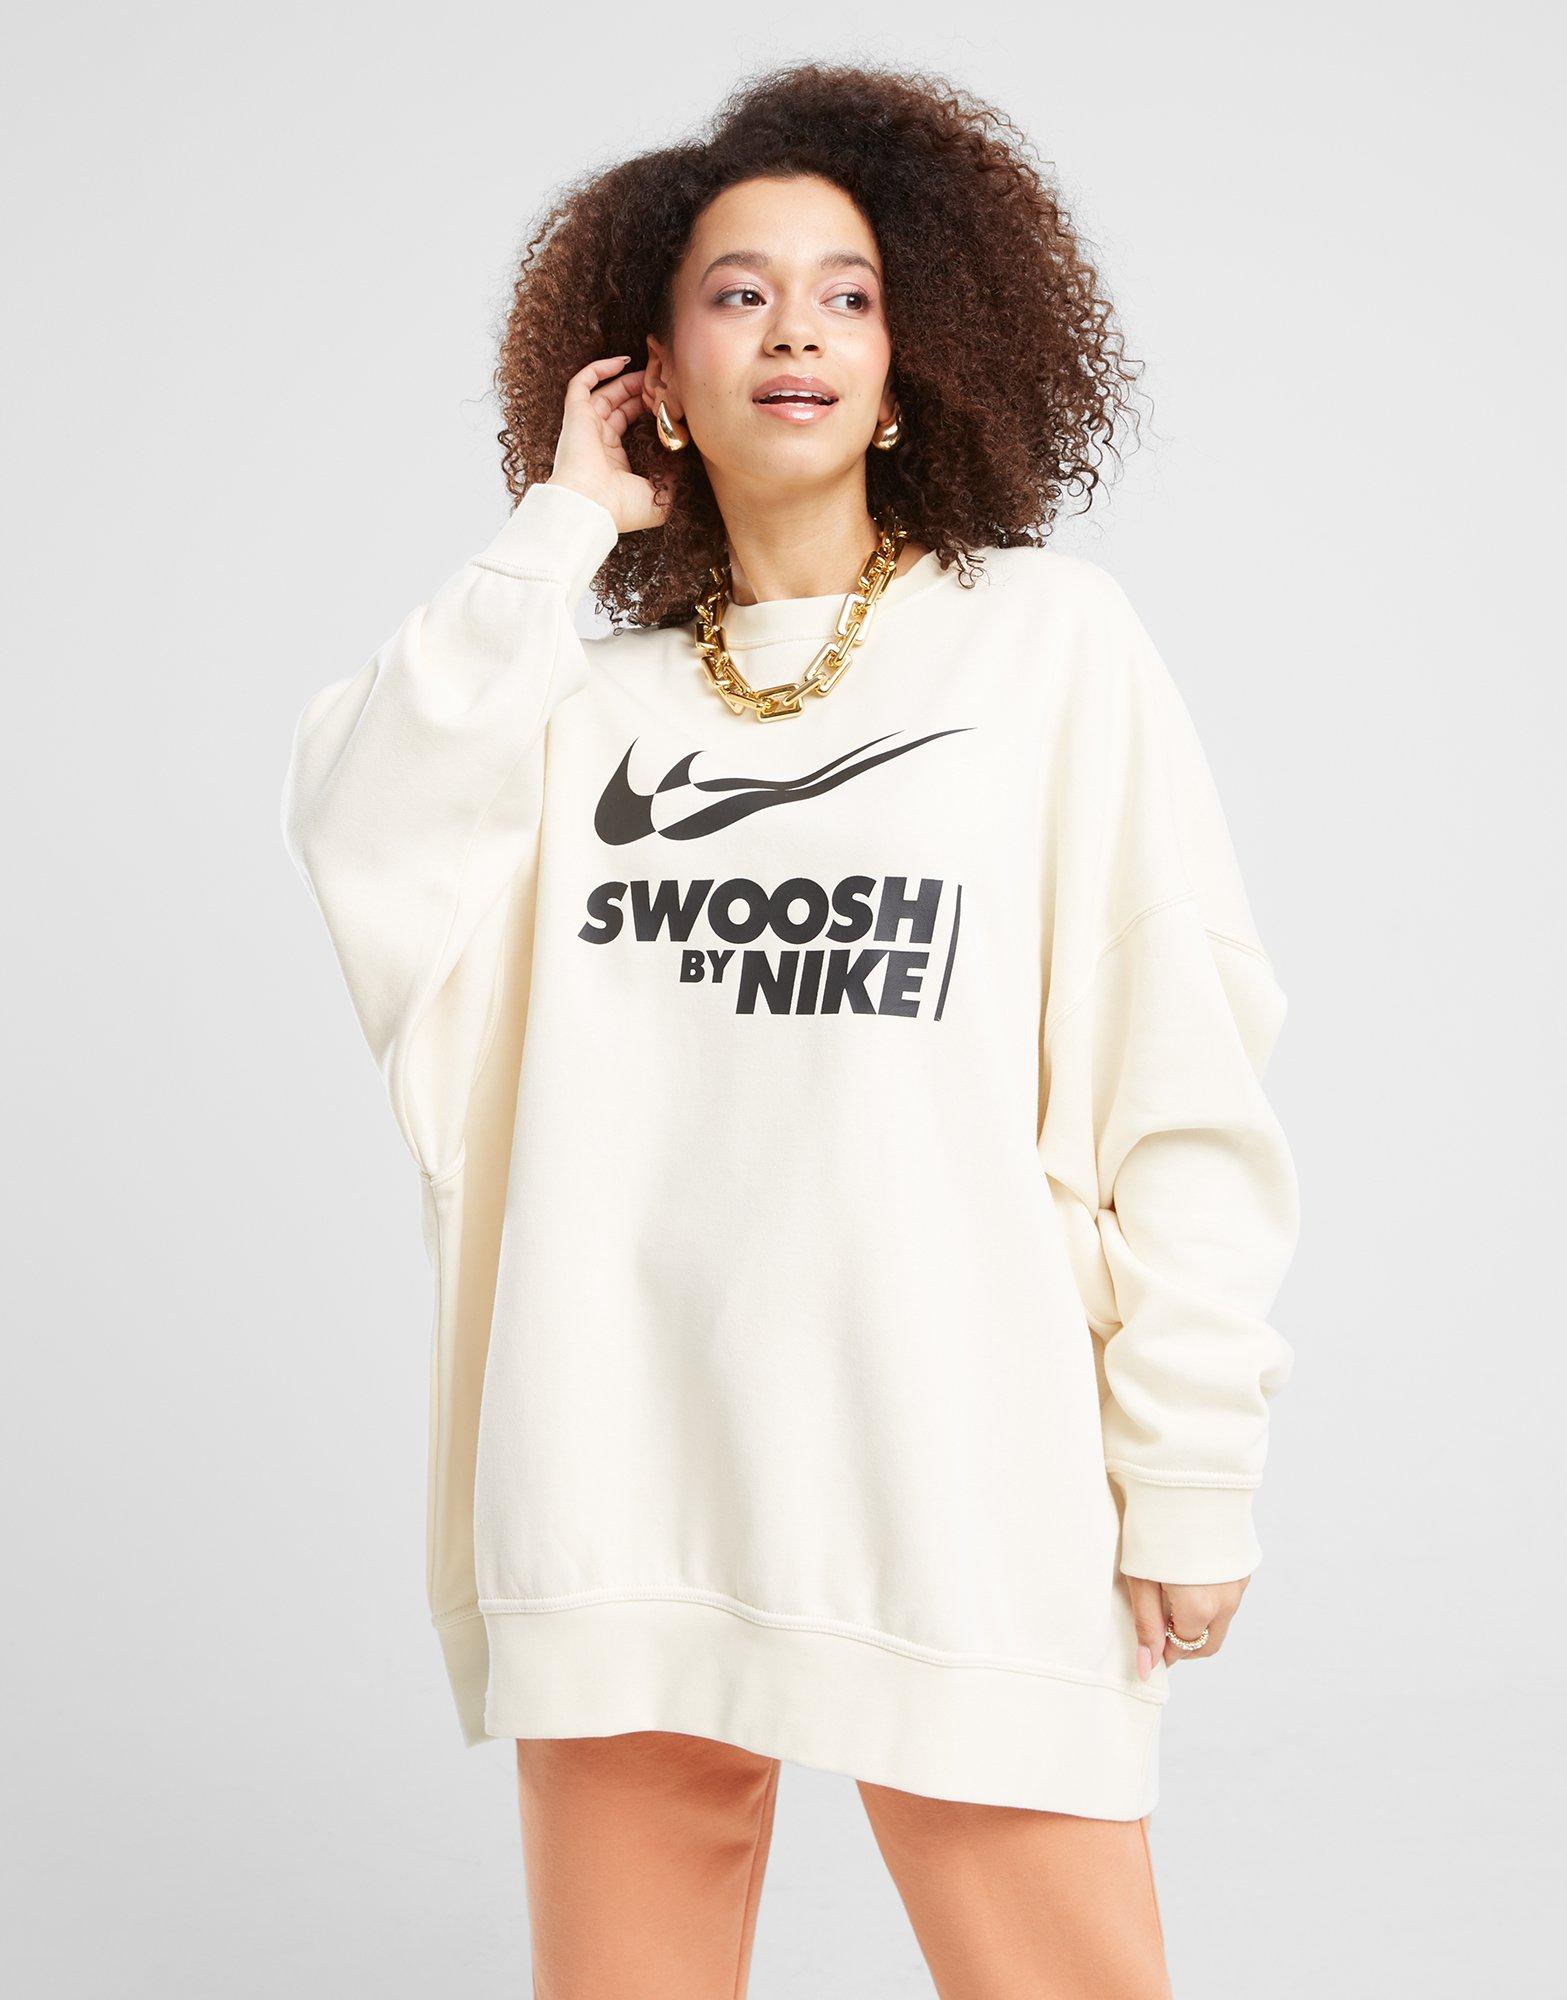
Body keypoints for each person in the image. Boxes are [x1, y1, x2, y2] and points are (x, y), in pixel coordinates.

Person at [281, 59, 1299, 2000]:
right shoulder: (573, 701)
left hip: (955, 1466)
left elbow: (1175, 1074)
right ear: (650, 371)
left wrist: (1189, 1468)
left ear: (913, 360)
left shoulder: (1044, 644)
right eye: (736, 294)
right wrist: (555, 528)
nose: (796, 332)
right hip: (620, 1471)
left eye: (847, 293)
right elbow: (360, 818)